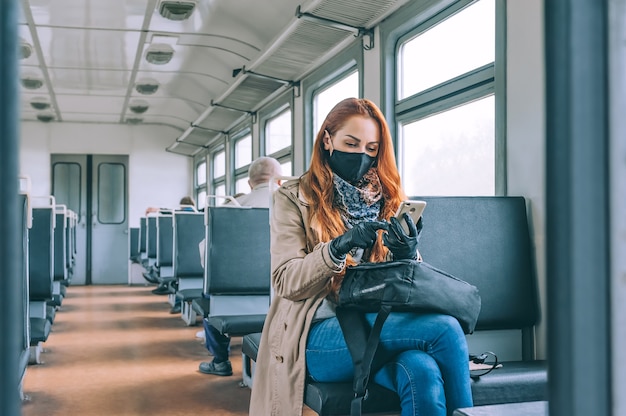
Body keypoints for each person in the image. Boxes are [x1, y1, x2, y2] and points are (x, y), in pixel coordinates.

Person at [248, 98, 472, 416]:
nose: (361, 156)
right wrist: (337, 248)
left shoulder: (388, 199)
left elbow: (408, 286)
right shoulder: (293, 197)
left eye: (371, 148)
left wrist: (407, 254)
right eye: (351, 144)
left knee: (421, 370)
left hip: (378, 318)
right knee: (445, 330)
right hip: (317, 329)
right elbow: (286, 282)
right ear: (327, 140)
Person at [198, 156, 283, 377]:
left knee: (209, 296)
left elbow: (206, 252)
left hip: (230, 301)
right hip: (286, 297)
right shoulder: (293, 207)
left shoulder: (232, 207)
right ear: (280, 181)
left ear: (249, 183)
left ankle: (220, 361)